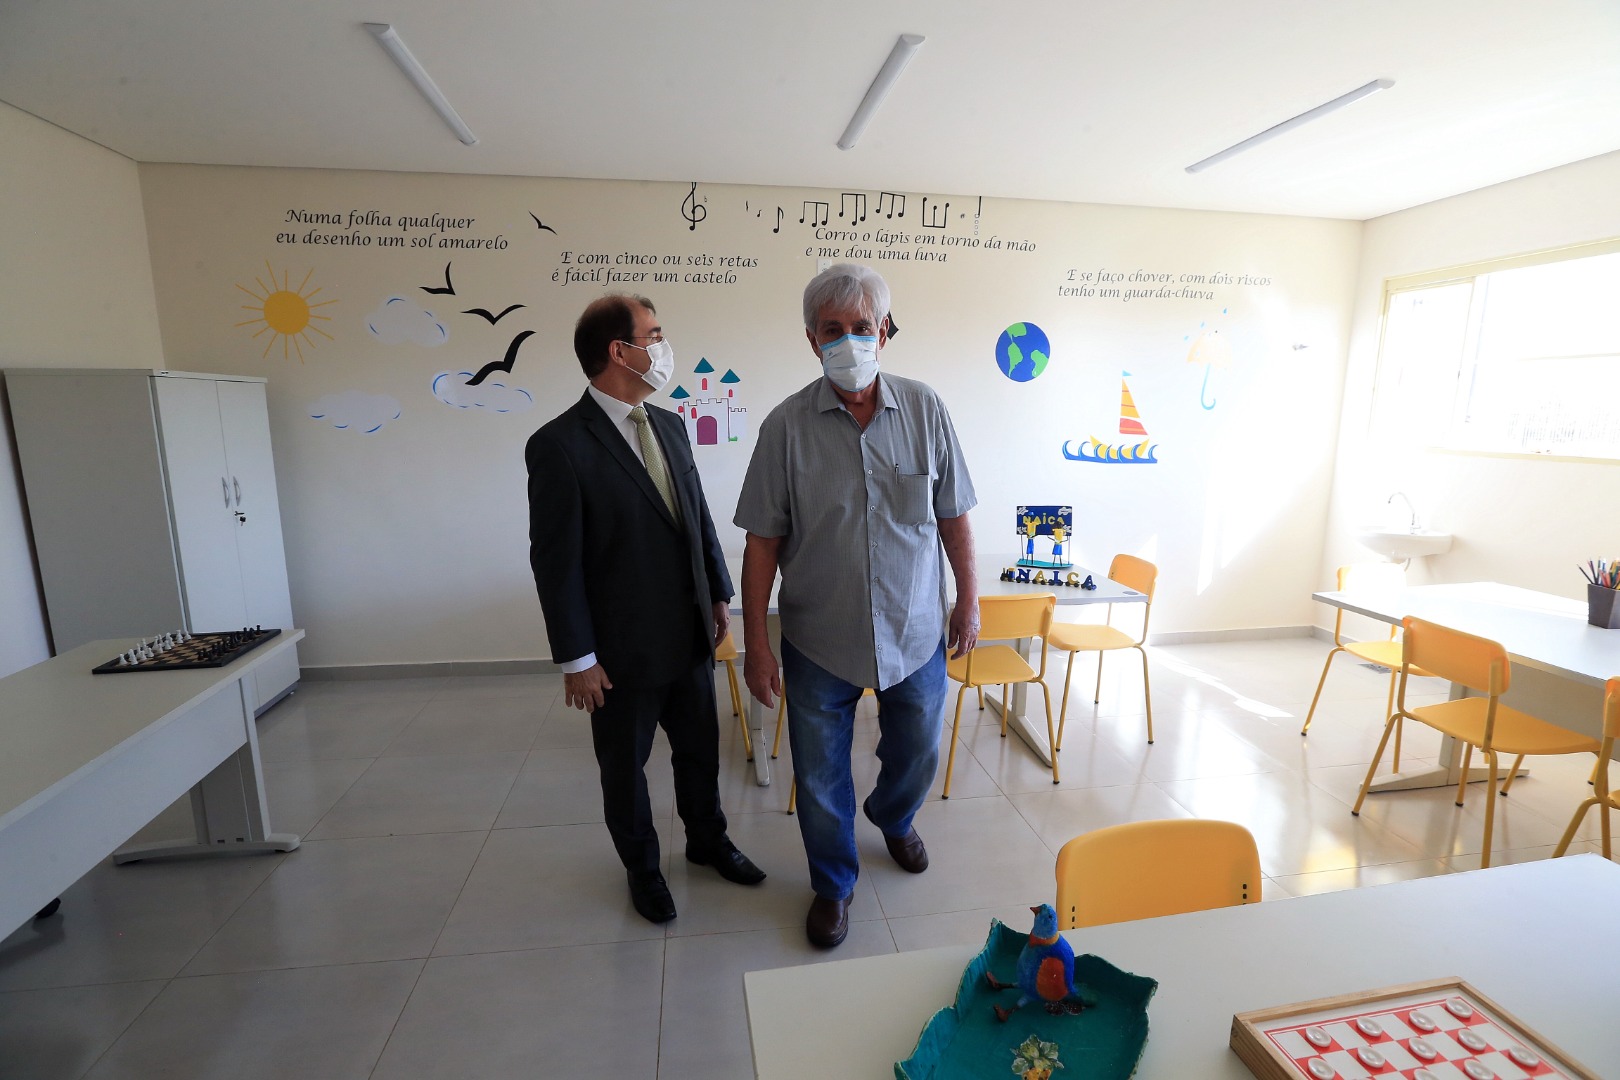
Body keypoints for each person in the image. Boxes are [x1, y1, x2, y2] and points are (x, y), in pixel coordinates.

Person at [734, 264, 979, 947]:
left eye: (862, 328)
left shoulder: (926, 409)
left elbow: (954, 515)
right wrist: (757, 644)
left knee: (919, 751)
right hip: (819, 638)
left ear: (885, 332)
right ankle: (833, 884)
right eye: (832, 330)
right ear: (812, 340)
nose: (848, 342)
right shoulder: (784, 427)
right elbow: (761, 544)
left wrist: (969, 600)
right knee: (818, 777)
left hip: (916, 630)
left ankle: (893, 817)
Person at [527, 293, 764, 925]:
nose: (663, 346)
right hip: (619, 651)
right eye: (654, 335)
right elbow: (555, 563)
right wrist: (577, 660)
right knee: (625, 770)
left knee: (700, 752)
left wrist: (718, 591)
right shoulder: (559, 445)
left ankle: (708, 842)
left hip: (688, 633)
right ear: (619, 351)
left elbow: (695, 515)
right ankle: (643, 868)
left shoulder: (668, 425)